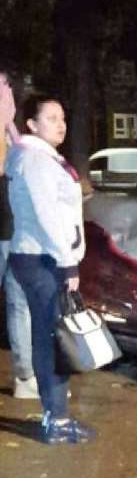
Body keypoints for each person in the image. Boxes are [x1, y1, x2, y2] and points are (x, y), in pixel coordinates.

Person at [6, 94, 92, 444]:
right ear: (31, 124)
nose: (61, 124)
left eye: (63, 117)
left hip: (39, 256)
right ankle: (55, 419)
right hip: (42, 259)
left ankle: (56, 415)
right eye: (52, 118)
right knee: (52, 339)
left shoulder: (38, 158)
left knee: (50, 337)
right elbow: (47, 215)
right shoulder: (35, 160)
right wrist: (68, 261)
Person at [0, 72, 36, 399]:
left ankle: (25, 377)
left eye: (7, 88)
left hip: (16, 233)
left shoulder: (16, 139)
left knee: (19, 303)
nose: (5, 94)